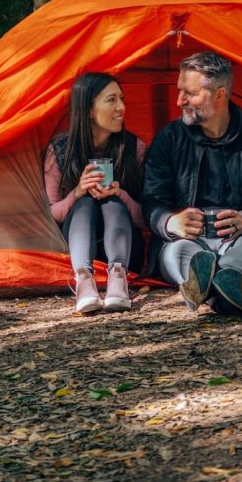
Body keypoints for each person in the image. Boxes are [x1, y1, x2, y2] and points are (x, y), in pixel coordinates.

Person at [143, 51, 242, 315]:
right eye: (180, 91)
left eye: (189, 93)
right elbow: (151, 200)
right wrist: (170, 222)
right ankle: (227, 290)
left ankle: (220, 280)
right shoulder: (169, 138)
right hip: (189, 241)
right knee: (172, 252)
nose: (179, 100)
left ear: (219, 95)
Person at [44, 72, 149, 314]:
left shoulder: (134, 148)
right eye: (111, 100)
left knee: (111, 201)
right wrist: (78, 192)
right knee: (85, 203)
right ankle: (84, 281)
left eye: (121, 99)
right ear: (89, 109)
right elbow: (54, 213)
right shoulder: (60, 151)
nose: (121, 107)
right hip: (77, 251)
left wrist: (120, 193)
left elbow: (147, 218)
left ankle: (117, 279)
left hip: (126, 251)